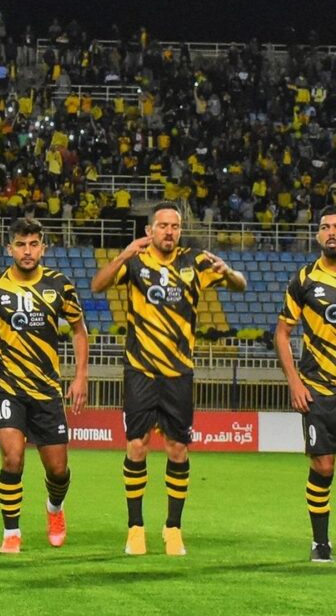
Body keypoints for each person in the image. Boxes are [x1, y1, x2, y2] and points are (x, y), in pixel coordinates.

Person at [91, 201, 246, 556]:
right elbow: (97, 285)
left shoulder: (196, 262)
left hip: (178, 373)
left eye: (174, 226)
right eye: (162, 225)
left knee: (177, 449)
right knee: (137, 446)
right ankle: (135, 528)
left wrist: (229, 272)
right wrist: (123, 253)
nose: (169, 232)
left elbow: (240, 285)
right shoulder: (135, 262)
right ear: (150, 230)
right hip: (141, 370)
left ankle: (173, 528)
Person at [0, 217, 90, 554]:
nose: (27, 251)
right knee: (12, 459)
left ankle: (55, 508)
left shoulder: (60, 285)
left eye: (33, 244)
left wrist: (81, 376)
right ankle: (11, 533)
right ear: (9, 248)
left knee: (58, 470)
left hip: (46, 390)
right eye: (21, 245)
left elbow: (79, 330)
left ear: (43, 248)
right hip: (7, 386)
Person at [275, 205, 336, 563]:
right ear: (317, 235)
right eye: (326, 227)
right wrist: (294, 382)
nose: (332, 232)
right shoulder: (304, 279)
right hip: (319, 388)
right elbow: (282, 334)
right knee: (323, 466)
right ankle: (320, 541)